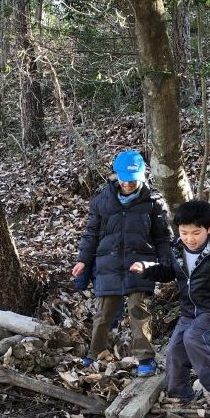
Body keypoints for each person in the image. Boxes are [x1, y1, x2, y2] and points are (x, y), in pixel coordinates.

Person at [130, 198, 210, 409]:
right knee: (174, 352)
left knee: (195, 337)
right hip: (189, 312)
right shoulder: (176, 249)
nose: (190, 239)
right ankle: (180, 396)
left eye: (196, 233)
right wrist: (147, 268)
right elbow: (168, 272)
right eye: (184, 232)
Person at [72, 149, 172, 375]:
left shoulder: (153, 202)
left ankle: (145, 360)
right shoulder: (101, 202)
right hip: (109, 264)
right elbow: (91, 234)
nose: (128, 184)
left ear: (142, 176)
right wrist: (83, 261)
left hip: (140, 264)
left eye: (133, 180)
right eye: (124, 180)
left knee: (139, 310)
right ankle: (94, 354)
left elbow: (162, 237)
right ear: (116, 176)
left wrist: (165, 263)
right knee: (104, 314)